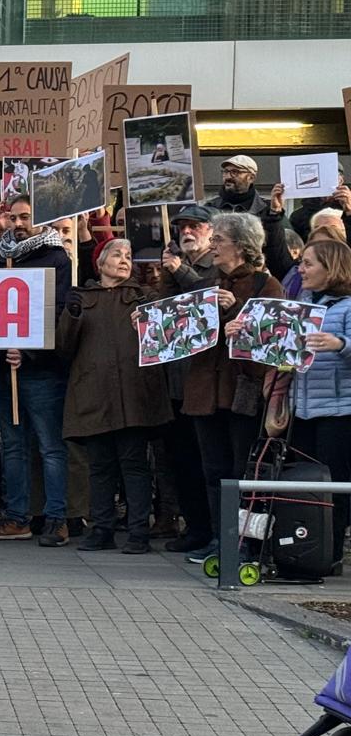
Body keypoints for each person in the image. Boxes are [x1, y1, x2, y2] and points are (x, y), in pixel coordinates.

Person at [56, 238, 172, 554]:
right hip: (94, 395)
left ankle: (138, 532)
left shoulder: (143, 297)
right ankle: (102, 528)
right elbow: (63, 347)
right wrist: (73, 315)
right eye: (117, 254)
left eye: (129, 255)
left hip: (134, 396)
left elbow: (164, 341)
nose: (124, 259)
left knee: (134, 465)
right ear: (100, 262)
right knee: (100, 466)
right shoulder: (82, 297)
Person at [181, 211, 283, 563]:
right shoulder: (211, 283)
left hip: (242, 394)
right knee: (212, 470)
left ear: (241, 245)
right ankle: (216, 537)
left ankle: (241, 541)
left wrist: (238, 309)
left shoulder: (266, 285)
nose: (212, 247)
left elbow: (275, 344)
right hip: (205, 392)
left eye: (219, 240)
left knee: (241, 471)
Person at [0, 195, 73, 546]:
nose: (19, 224)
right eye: (13, 217)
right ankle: (17, 517)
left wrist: (30, 352)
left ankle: (56, 519)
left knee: (50, 447)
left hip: (41, 370)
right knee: (13, 446)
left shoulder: (56, 257)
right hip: (2, 367)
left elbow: (59, 312)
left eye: (26, 217)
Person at [157, 203, 218, 552]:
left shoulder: (214, 266)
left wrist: (179, 271)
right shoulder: (175, 267)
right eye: (182, 227)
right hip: (175, 382)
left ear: (210, 230)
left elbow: (205, 302)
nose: (187, 232)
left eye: (195, 226)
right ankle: (194, 528)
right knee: (182, 462)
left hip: (203, 383)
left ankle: (213, 531)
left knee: (206, 461)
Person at [289, 238, 351, 570]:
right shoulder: (300, 304)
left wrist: (340, 343)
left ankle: (332, 553)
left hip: (338, 411)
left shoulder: (348, 306)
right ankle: (305, 548)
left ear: (331, 267)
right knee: (305, 485)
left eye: (309, 263)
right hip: (302, 408)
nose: (301, 269)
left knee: (333, 486)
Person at [206, 155, 292, 279]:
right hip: (215, 279)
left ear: (251, 177)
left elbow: (278, 254)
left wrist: (274, 214)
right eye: (225, 172)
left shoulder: (267, 211)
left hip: (253, 280)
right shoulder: (209, 208)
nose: (228, 177)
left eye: (235, 172)